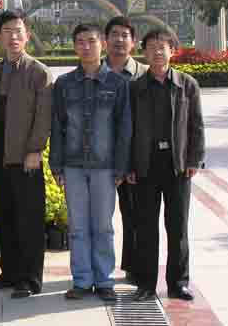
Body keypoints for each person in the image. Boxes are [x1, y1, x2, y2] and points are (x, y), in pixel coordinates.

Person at [49, 23, 131, 302]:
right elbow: (57, 126)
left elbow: (124, 129)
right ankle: (82, 280)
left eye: (91, 41)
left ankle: (104, 280)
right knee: (77, 227)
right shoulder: (64, 84)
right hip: (73, 166)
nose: (86, 46)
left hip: (104, 167)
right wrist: (56, 165)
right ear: (75, 46)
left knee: (103, 226)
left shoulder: (117, 84)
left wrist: (120, 167)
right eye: (81, 42)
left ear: (102, 44)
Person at [130, 28, 205, 302]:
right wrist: (128, 164)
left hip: (177, 165)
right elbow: (127, 129)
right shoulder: (135, 88)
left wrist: (194, 159)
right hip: (145, 165)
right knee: (145, 228)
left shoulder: (187, 84)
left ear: (172, 51)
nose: (157, 52)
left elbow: (196, 125)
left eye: (162, 47)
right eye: (151, 48)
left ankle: (178, 283)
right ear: (144, 52)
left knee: (178, 227)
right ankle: (146, 284)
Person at [0, 10, 53, 299]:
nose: (13, 37)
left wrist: (35, 149)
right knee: (5, 217)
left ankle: (29, 278)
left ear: (27, 35)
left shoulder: (39, 72)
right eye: (7, 31)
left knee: (28, 219)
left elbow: (44, 116)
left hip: (26, 157)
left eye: (18, 31)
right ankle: (9, 273)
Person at [103, 17, 148, 284]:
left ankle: (135, 266)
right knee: (99, 219)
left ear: (133, 41)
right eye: (114, 34)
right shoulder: (95, 71)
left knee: (136, 215)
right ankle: (98, 271)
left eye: (124, 35)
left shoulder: (144, 74)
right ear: (105, 40)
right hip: (101, 158)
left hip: (136, 159)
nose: (119, 40)